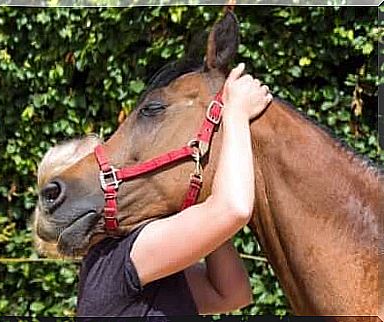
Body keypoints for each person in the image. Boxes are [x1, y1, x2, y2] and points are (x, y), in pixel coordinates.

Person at [76, 63, 272, 317]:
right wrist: (235, 114)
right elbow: (233, 208)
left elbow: (231, 294)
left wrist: (202, 200)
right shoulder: (123, 258)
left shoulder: (113, 270)